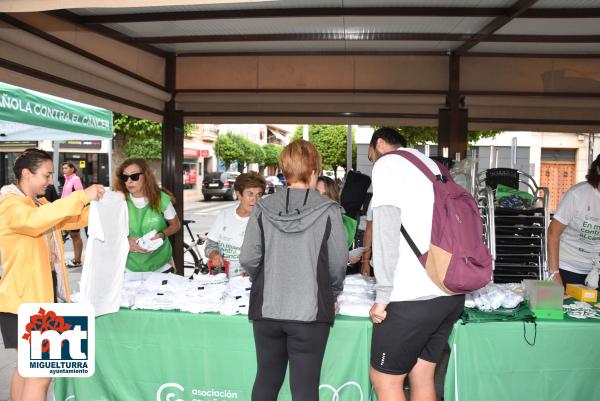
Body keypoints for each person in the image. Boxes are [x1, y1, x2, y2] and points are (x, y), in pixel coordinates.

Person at [240, 140, 348, 401]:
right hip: (310, 313)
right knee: (305, 389)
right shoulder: (328, 210)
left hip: (268, 309)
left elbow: (248, 257)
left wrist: (265, 278)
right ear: (313, 172)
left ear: (283, 169)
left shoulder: (262, 208)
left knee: (267, 379)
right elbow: (337, 262)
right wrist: (332, 292)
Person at [368, 127, 464, 401]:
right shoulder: (431, 165)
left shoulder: (388, 165)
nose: (373, 160)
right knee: (422, 376)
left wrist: (382, 295)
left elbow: (385, 233)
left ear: (380, 144)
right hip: (449, 292)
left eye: (371, 154)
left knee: (385, 381)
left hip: (412, 297)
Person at [0, 148, 104, 401]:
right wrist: (81, 195)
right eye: (46, 175)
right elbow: (35, 221)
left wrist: (107, 205)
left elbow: (70, 219)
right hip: (24, 300)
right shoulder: (11, 204)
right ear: (26, 173)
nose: (50, 181)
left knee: (26, 370)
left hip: (33, 299)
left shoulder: (39, 203)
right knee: (41, 374)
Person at [113, 159, 181, 277]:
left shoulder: (161, 199)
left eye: (134, 176)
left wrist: (162, 235)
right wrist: (125, 242)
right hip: (129, 268)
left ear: (146, 176)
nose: (129, 181)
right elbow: (108, 233)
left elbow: (175, 225)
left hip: (161, 266)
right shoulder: (119, 201)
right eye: (125, 177)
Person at [548, 154, 600, 288]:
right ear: (598, 170)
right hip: (568, 268)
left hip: (596, 270)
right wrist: (554, 273)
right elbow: (553, 232)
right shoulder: (578, 194)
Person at [205, 171, 266, 277]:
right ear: (239, 194)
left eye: (258, 195)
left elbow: (270, 254)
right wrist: (214, 255)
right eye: (250, 194)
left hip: (247, 280)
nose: (255, 200)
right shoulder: (224, 215)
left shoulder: (264, 220)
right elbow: (210, 246)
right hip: (220, 274)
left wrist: (255, 270)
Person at [317, 175, 361, 265]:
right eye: (316, 193)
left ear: (332, 197)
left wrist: (347, 257)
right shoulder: (305, 219)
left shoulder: (340, 223)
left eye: (325, 195)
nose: (320, 198)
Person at [61, 162, 85, 267]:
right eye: (63, 168)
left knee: (75, 235)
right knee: (73, 235)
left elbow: (80, 195)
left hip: (74, 212)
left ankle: (77, 260)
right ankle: (76, 259)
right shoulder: (67, 179)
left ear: (72, 169)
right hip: (67, 211)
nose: (64, 170)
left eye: (66, 168)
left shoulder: (75, 179)